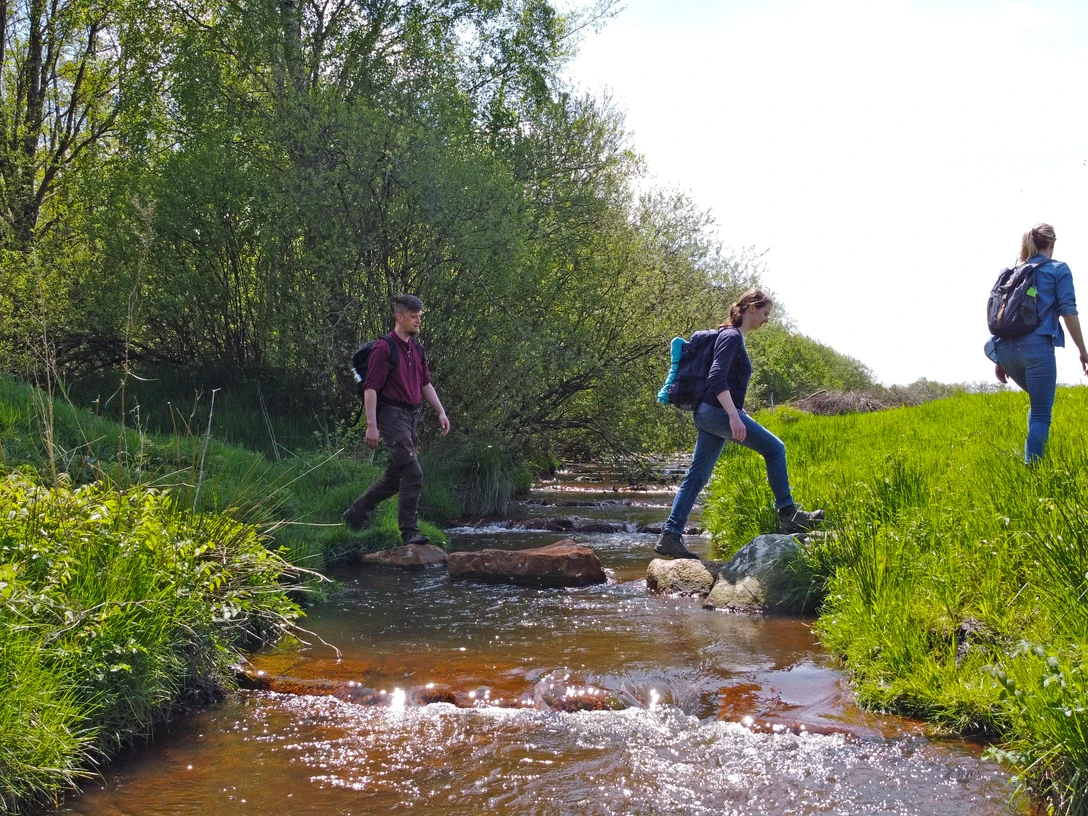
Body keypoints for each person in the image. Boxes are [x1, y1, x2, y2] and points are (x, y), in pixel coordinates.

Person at [655, 288, 824, 560]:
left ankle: (670, 536)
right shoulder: (732, 336)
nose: (767, 320)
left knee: (696, 477)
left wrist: (738, 409)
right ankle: (788, 514)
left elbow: (726, 381)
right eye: (766, 313)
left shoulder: (733, 337)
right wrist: (733, 416)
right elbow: (716, 377)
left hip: (709, 413)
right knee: (775, 449)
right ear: (751, 308)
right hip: (715, 413)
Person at [343, 294, 450, 545]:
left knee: (394, 478)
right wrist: (372, 426)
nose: (418, 322)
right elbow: (371, 388)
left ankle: (354, 515)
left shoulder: (417, 348)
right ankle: (410, 533)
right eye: (414, 317)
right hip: (391, 415)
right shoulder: (384, 348)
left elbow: (425, 384)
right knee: (412, 472)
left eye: (420, 317)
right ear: (399, 317)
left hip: (411, 416)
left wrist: (441, 412)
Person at [985, 223, 1088, 463]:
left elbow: (1003, 313)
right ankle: (1033, 472)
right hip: (1037, 349)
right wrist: (1083, 351)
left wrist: (1000, 360)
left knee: (1037, 403)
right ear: (1052, 243)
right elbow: (1068, 312)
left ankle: (1029, 458)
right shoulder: (1057, 269)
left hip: (1005, 349)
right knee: (1042, 414)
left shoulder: (1013, 272)